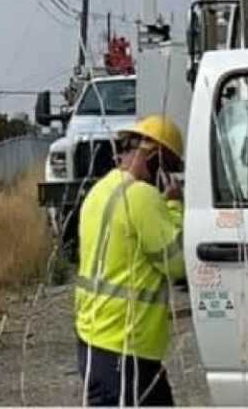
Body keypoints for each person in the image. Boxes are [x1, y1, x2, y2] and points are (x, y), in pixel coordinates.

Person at [74, 114, 186, 406]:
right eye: (170, 166)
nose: (170, 175)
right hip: (126, 346)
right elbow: (177, 262)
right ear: (154, 157)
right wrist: (174, 204)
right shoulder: (141, 197)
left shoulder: (98, 192)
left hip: (95, 341)